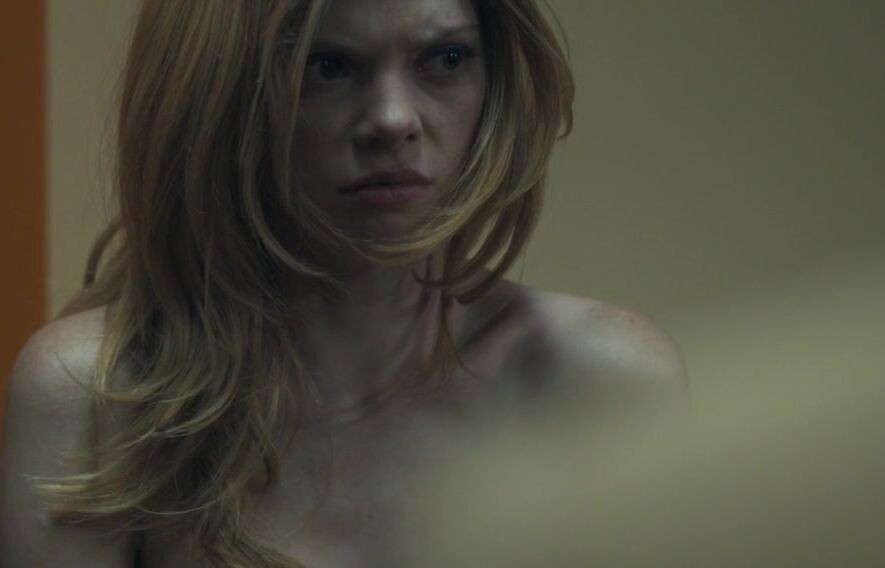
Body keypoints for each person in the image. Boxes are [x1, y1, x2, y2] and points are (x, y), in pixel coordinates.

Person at [0, 1, 688, 566]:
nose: (392, 119)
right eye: (326, 67)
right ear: (216, 97)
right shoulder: (95, 396)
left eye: (446, 58)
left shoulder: (594, 380)